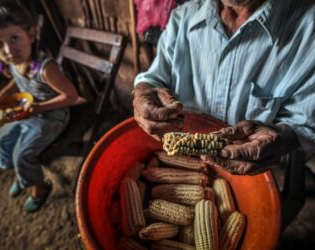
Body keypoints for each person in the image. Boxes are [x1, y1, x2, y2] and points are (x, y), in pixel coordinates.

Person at [133, 0, 315, 175]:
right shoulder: (182, 18)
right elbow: (155, 77)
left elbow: (304, 123)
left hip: (253, 174)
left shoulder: (308, 30)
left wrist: (285, 136)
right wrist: (144, 89)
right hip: (182, 161)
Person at [0, 0, 84, 212]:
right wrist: (3, 95)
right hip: (28, 112)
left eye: (14, 39)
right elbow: (17, 80)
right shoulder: (14, 62)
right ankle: (25, 177)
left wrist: (38, 109)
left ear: (30, 34)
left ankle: (39, 186)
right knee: (1, 142)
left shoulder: (45, 68)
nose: (9, 50)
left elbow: (70, 96)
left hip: (52, 116)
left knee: (23, 155)